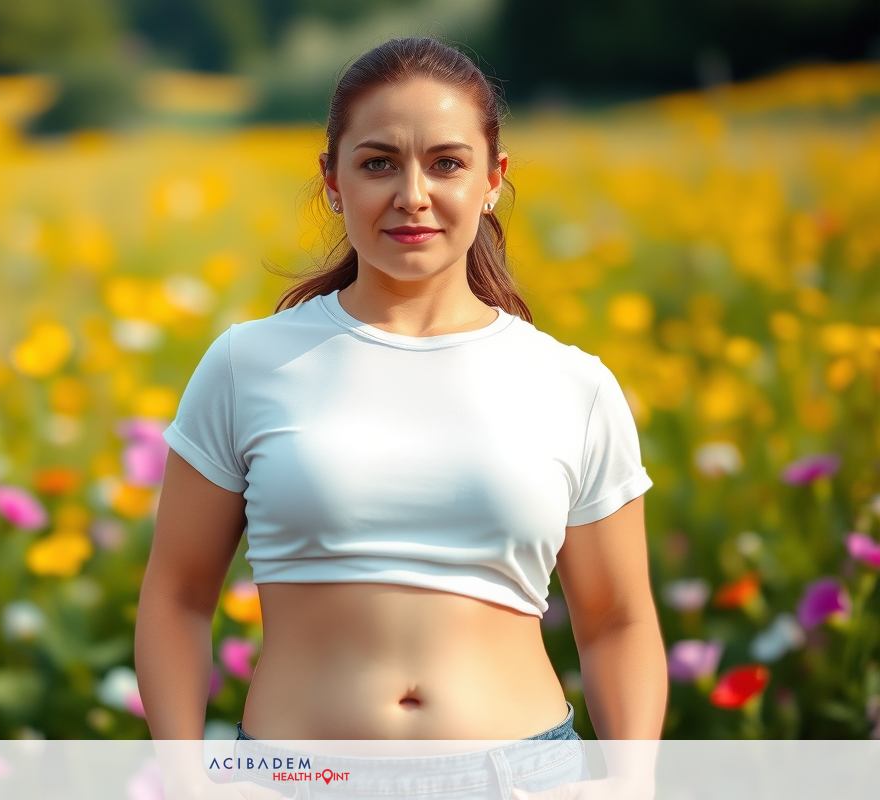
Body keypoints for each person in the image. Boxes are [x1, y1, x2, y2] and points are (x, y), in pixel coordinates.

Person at [135, 36, 667, 798]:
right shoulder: (246, 365)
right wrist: (186, 782)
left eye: (447, 163)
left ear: (493, 179)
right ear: (332, 181)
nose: (412, 194)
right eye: (378, 162)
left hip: (524, 778)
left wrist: (631, 783)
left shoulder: (573, 384)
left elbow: (618, 619)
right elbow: (176, 598)